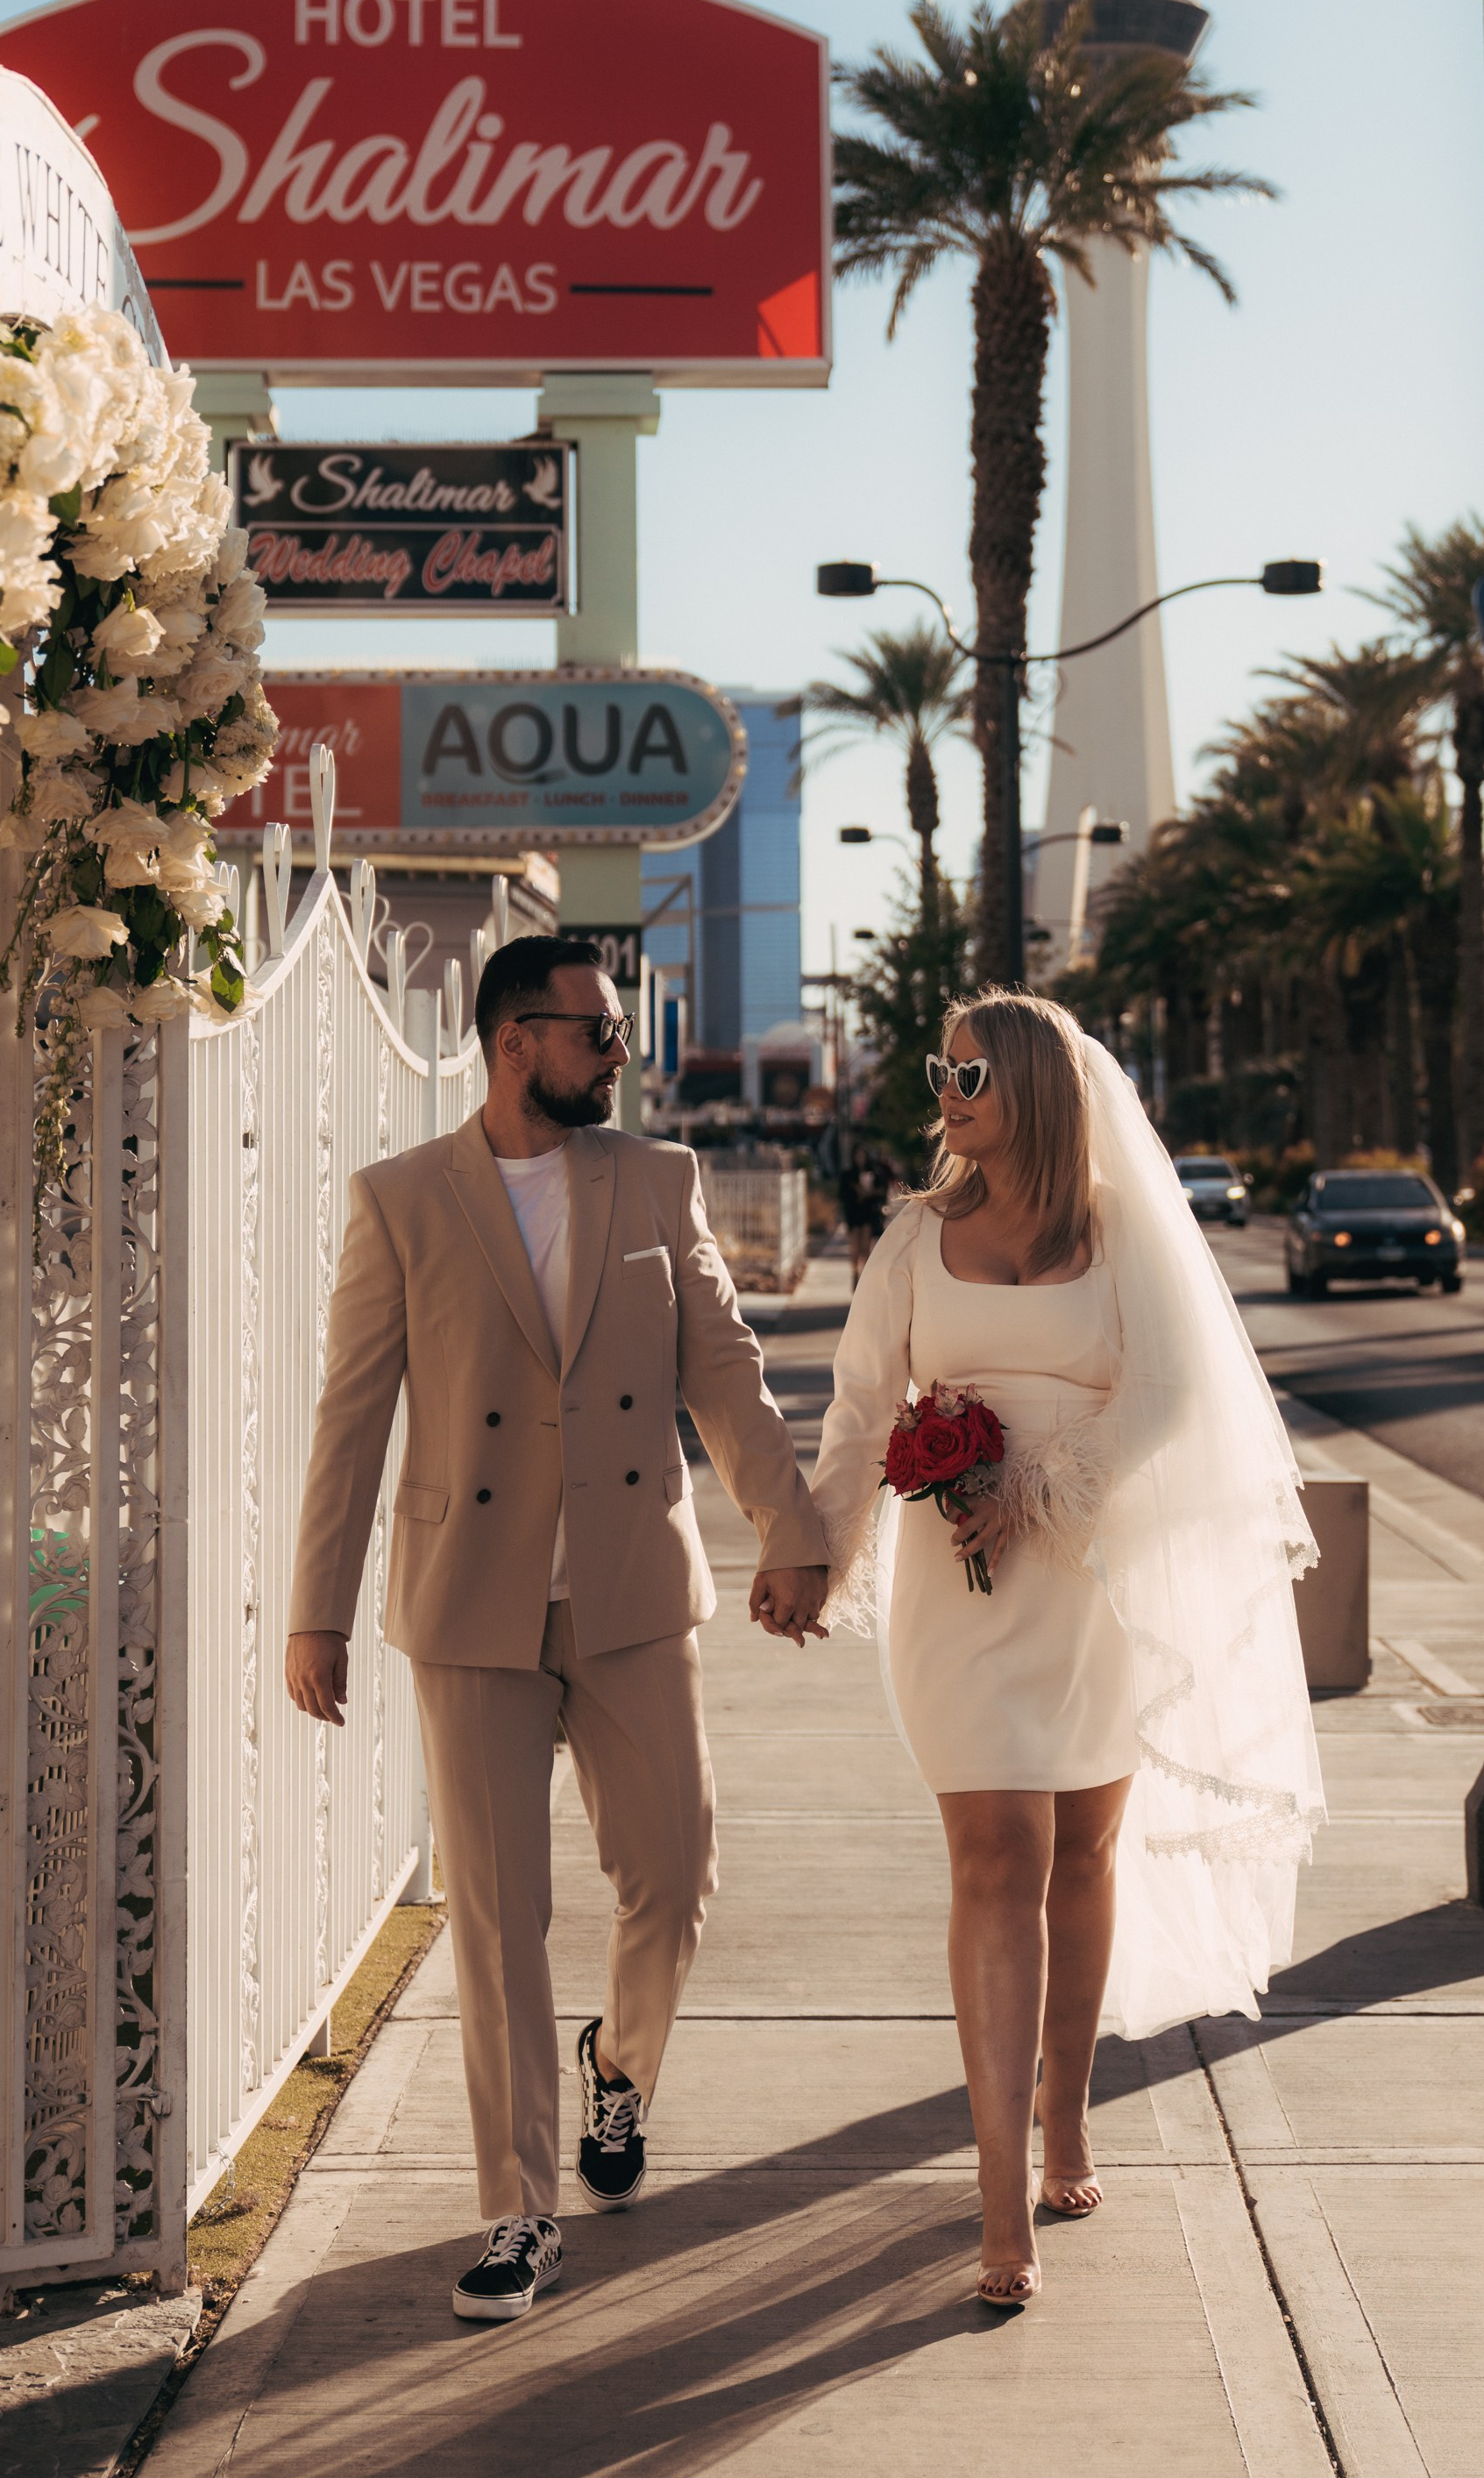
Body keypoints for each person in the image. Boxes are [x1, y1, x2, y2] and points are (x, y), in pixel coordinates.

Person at [286, 935, 828, 2325]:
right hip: (469, 1600)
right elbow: (352, 1420)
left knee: (673, 1875)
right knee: (499, 1919)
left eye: (620, 1031)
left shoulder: (657, 1180)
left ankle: (621, 2073)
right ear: (514, 1039)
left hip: (633, 1589)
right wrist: (319, 1613)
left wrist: (793, 1525)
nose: (618, 1052)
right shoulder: (403, 1201)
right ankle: (519, 2209)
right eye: (596, 1031)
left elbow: (725, 1370)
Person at [810, 992, 1323, 2310]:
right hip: (957, 1592)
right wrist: (812, 1553)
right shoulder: (917, 1237)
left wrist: (1037, 1487)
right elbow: (863, 1403)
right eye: (939, 1067)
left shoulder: (1118, 1229)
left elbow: (1175, 1394)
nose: (946, 1085)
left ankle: (1068, 2122)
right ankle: (996, 2196)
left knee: (1084, 1854)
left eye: (969, 1067)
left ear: (1034, 1079)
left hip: (1094, 1577)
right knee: (996, 1858)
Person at [837, 1140, 894, 1290]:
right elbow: (842, 1195)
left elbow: (881, 1192)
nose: (860, 1158)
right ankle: (855, 1273)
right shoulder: (849, 1175)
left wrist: (870, 1194)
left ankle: (864, 1277)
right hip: (853, 1214)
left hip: (868, 1214)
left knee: (865, 1248)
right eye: (858, 1155)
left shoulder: (874, 1173)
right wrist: (855, 1192)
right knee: (854, 1248)